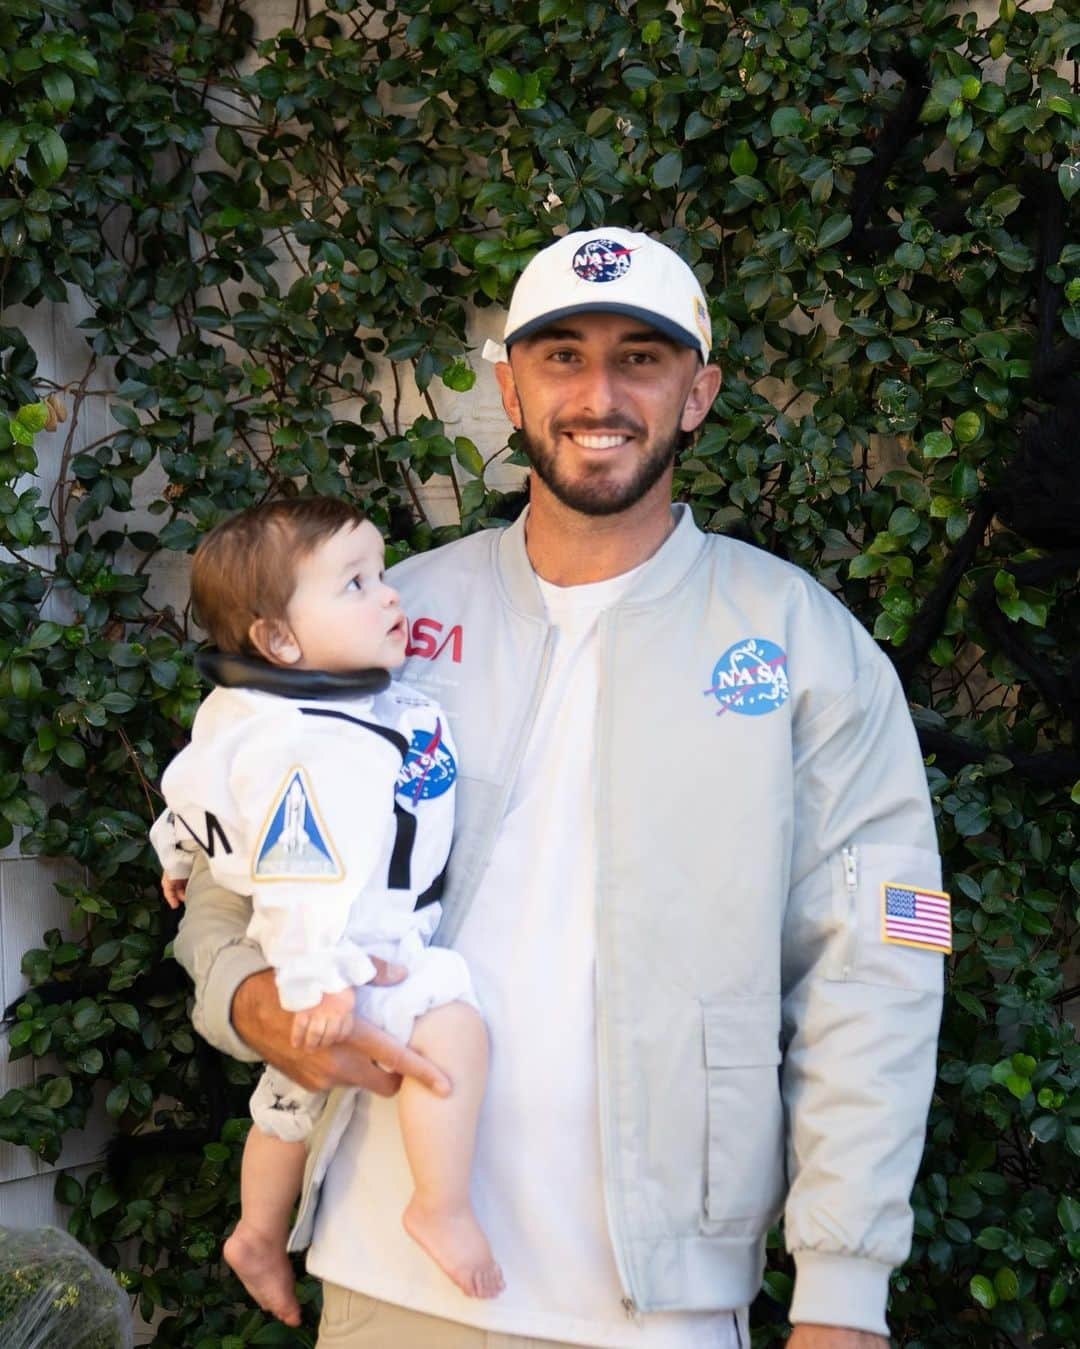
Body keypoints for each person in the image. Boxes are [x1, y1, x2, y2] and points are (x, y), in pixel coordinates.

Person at [174, 228, 948, 1348]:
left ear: (699, 392)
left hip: (658, 1302)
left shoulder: (801, 641)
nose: (600, 392)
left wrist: (843, 1289)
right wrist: (257, 1007)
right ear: (510, 387)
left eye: (642, 357)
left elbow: (874, 973)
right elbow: (226, 870)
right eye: (561, 356)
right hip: (385, 1280)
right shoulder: (382, 620)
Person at [152, 497, 503, 1327]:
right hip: (353, 945)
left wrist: (175, 853)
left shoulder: (249, 712)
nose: (388, 597)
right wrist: (314, 982)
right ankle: (440, 1204)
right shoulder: (319, 745)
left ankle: (258, 1233)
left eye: (380, 574)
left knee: (288, 1095)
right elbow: (303, 873)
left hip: (314, 952)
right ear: (279, 641)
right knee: (451, 1025)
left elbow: (195, 787)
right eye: (355, 584)